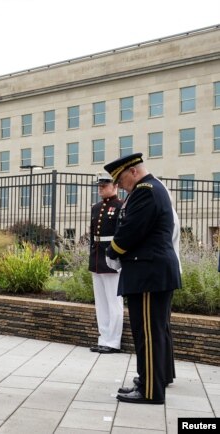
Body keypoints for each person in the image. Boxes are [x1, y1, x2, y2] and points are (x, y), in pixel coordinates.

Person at [104, 152, 181, 405]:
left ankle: (150, 390)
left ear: (133, 172)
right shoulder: (153, 188)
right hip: (151, 271)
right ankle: (151, 379)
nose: (120, 186)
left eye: (122, 180)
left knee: (148, 333)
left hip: (149, 273)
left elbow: (131, 230)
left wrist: (112, 251)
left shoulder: (146, 190)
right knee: (154, 331)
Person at [88, 172, 124, 354]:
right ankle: (103, 338)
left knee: (114, 301)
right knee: (101, 303)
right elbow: (92, 236)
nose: (101, 189)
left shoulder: (121, 206)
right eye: (99, 186)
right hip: (96, 259)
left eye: (105, 185)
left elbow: (121, 235)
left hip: (111, 259)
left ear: (115, 186)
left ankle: (113, 341)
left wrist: (117, 259)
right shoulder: (95, 208)